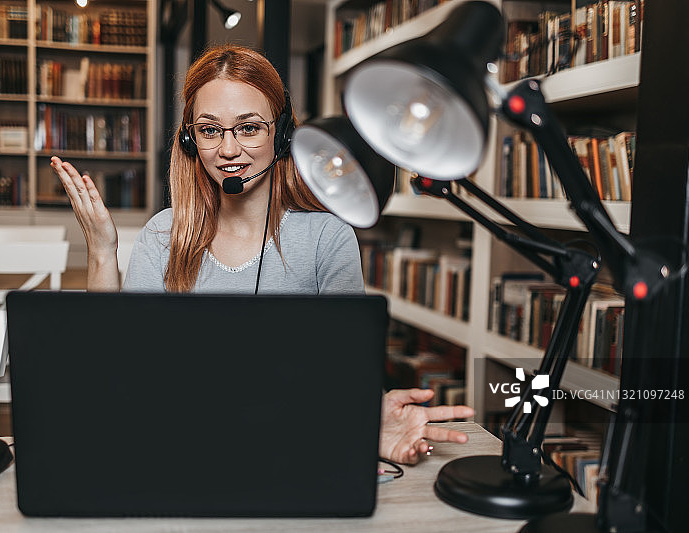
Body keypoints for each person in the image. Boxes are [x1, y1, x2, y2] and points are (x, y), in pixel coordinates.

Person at [51, 44, 474, 465]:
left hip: (289, 450)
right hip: (177, 447)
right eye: (210, 130)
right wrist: (103, 253)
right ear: (189, 139)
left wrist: (366, 422)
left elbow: (345, 374)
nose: (229, 150)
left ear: (283, 134)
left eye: (249, 128)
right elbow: (116, 368)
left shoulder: (327, 237)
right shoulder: (163, 233)